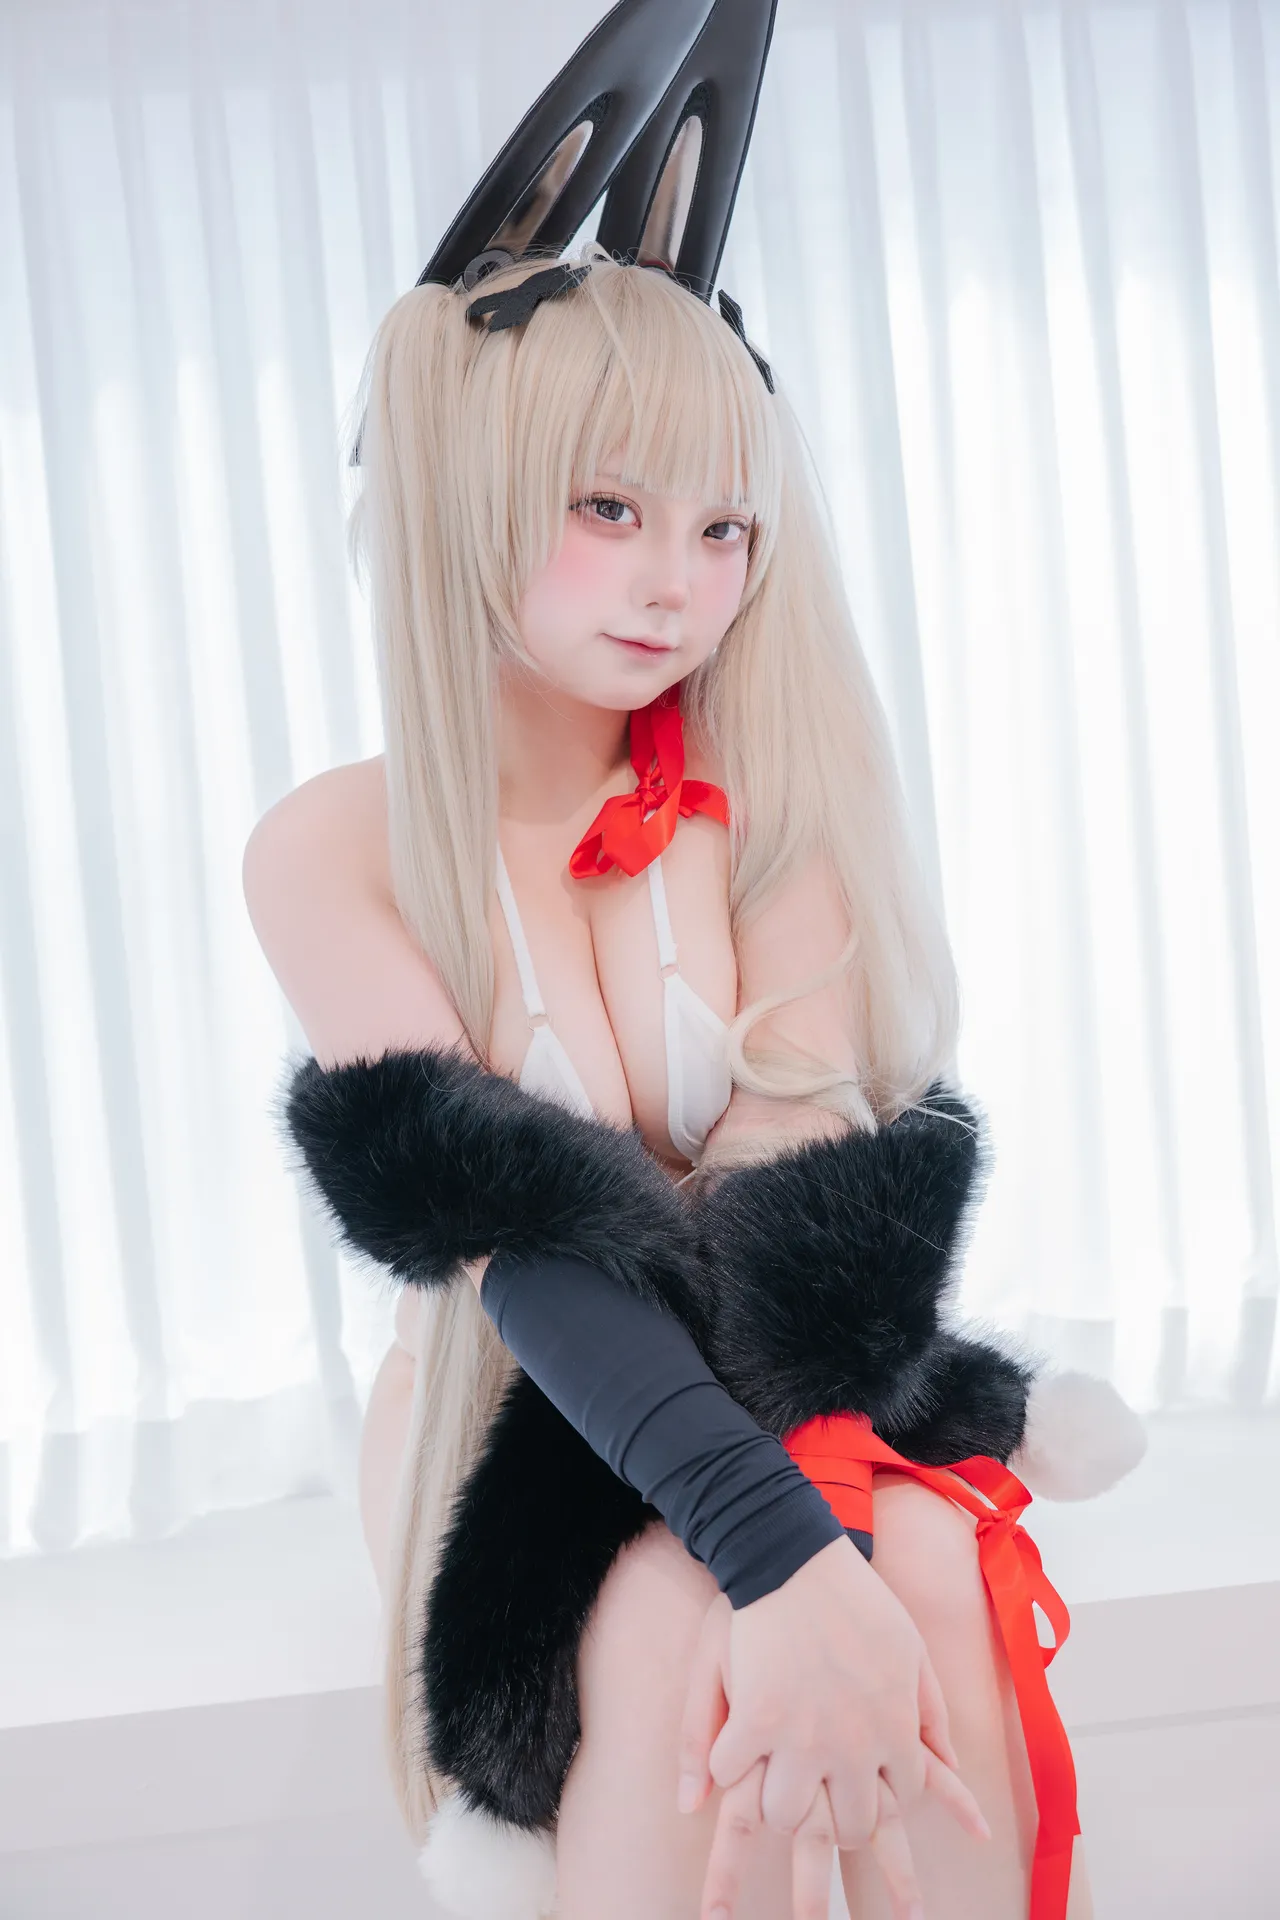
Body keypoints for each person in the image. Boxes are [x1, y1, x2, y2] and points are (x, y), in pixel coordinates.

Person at [242, 243, 1099, 1920]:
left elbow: (806, 1189)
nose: (676, 585)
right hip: (502, 1409)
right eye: (610, 508)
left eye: (724, 528)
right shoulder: (334, 846)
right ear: (471, 494)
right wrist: (775, 1555)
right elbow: (520, 1239)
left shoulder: (766, 801)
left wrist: (823, 1528)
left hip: (791, 1363)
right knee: (653, 1634)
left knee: (929, 1577)